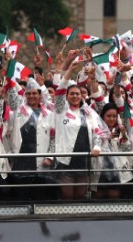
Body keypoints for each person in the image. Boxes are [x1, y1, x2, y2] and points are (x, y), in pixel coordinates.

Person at [49, 56, 103, 200]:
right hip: (66, 161)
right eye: (71, 94)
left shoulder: (88, 112)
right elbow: (59, 90)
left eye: (77, 94)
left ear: (82, 97)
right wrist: (70, 70)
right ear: (66, 97)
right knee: (67, 195)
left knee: (81, 196)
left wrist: (97, 147)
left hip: (84, 160)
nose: (74, 96)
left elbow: (97, 131)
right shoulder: (61, 110)